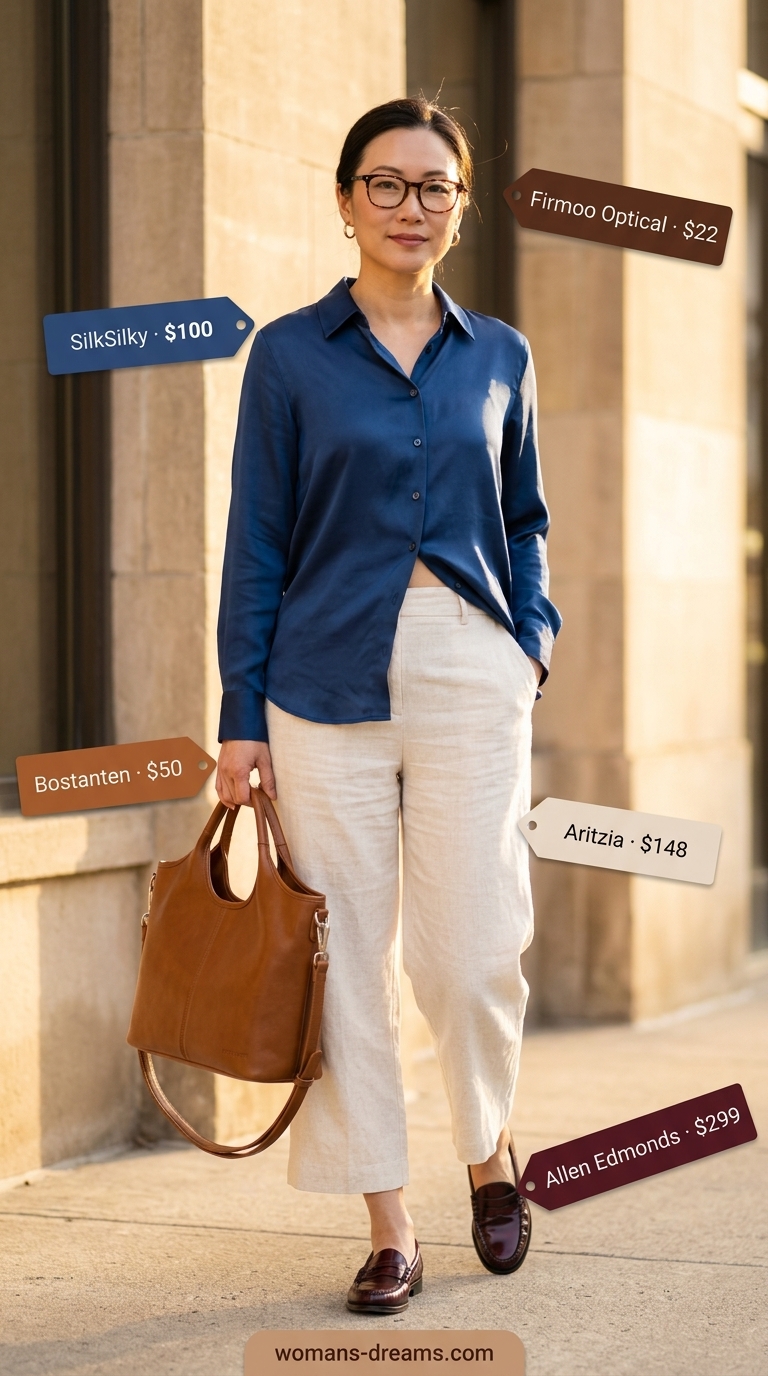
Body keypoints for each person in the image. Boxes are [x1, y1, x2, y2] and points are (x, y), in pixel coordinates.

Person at [215, 96, 561, 1314]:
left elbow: (525, 518)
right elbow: (256, 538)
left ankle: (488, 1148)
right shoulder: (289, 354)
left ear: (461, 208)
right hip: (320, 683)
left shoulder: (501, 355)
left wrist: (530, 642)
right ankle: (389, 1221)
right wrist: (240, 715)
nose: (412, 206)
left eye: (435, 187)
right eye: (388, 183)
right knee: (348, 958)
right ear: (346, 198)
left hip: (471, 666)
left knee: (470, 949)